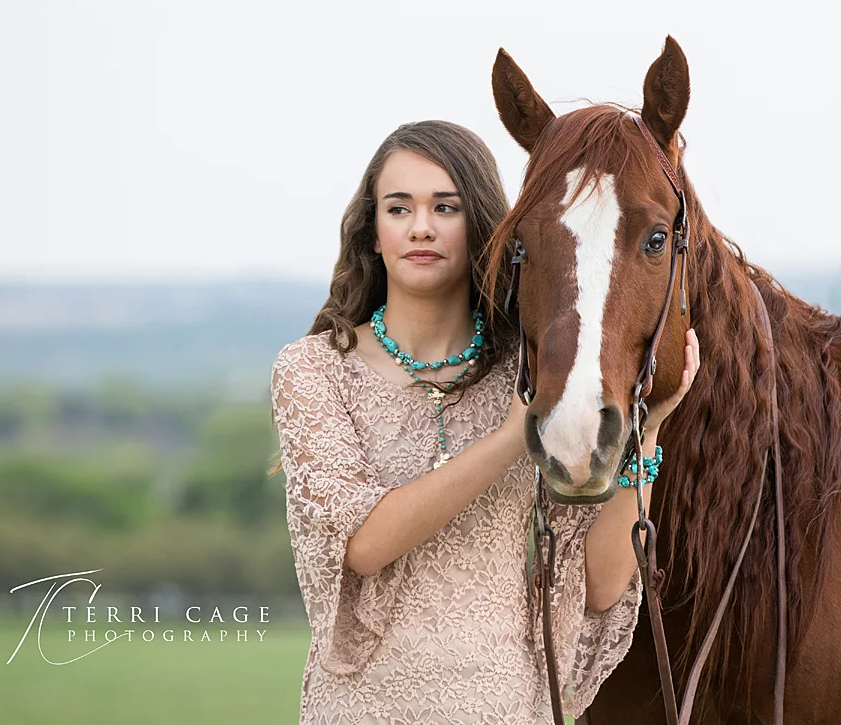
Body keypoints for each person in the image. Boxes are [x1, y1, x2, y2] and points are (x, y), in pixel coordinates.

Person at [270, 119, 699, 724]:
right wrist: (508, 440)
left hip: (508, 709)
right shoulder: (313, 371)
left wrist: (649, 430)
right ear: (373, 232)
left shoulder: (522, 378)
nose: (421, 226)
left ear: (483, 227)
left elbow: (599, 586)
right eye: (399, 208)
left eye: (445, 206)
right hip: (364, 709)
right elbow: (363, 545)